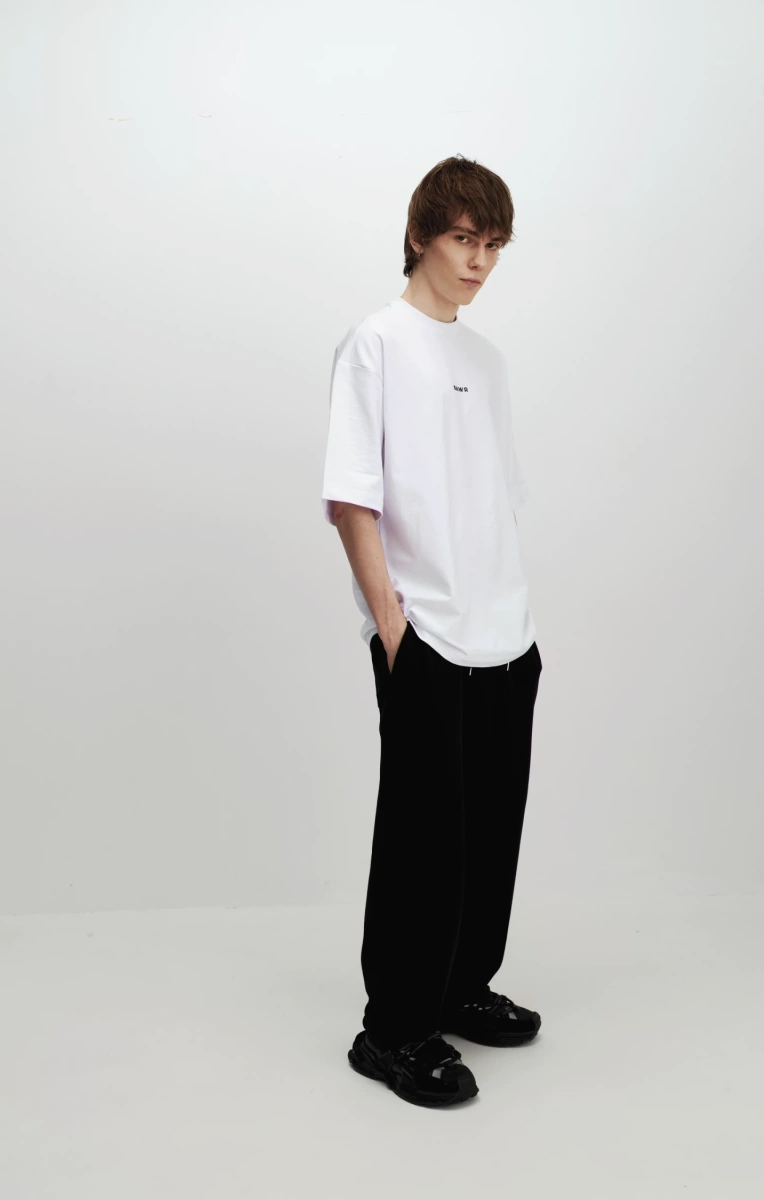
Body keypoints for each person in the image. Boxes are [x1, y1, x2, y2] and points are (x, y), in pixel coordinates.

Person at [321, 154, 543, 1108]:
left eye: (493, 244)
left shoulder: (486, 361)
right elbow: (352, 497)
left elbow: (494, 496)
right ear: (420, 236)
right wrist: (392, 627)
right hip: (428, 634)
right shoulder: (374, 343)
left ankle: (459, 988)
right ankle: (395, 1030)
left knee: (491, 826)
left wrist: (518, 616)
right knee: (424, 837)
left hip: (505, 631)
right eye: (463, 238)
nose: (479, 260)